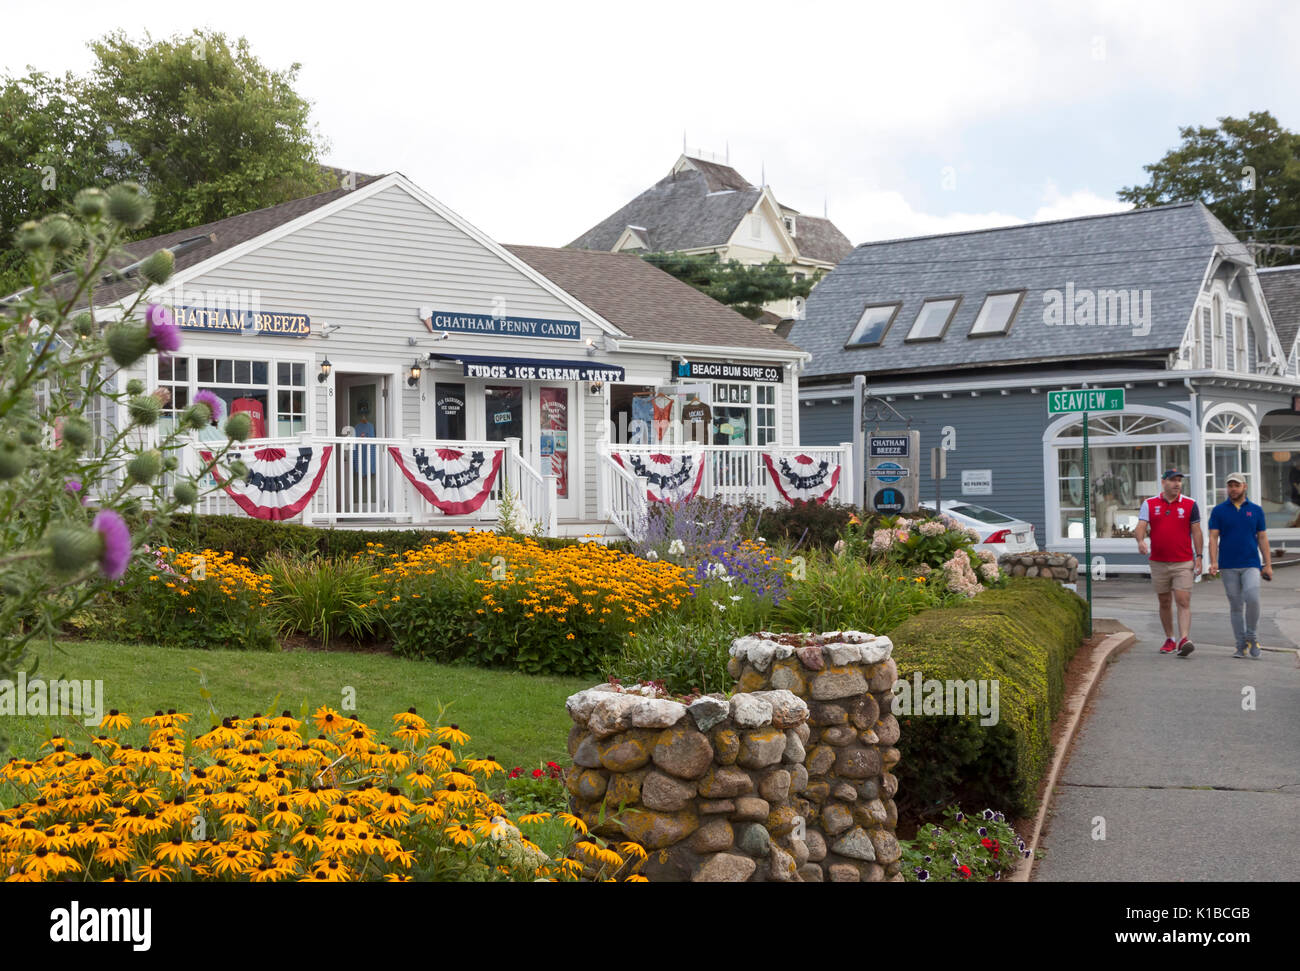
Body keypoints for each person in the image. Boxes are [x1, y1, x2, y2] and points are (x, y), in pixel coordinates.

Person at [1134, 468, 1203, 657]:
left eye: (1179, 480)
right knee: (1164, 601)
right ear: (1163, 482)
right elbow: (1141, 526)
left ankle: (1184, 639)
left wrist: (1199, 556)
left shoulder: (1190, 504)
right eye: (1173, 480)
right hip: (1158, 562)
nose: (1177, 484)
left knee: (1183, 599)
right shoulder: (1149, 504)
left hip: (1183, 561)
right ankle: (1170, 638)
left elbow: (1196, 531)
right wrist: (1140, 541)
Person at [1208, 472, 1273, 658]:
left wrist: (1267, 564)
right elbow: (1213, 537)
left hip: (1251, 563)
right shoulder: (1219, 510)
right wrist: (1213, 561)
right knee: (1236, 605)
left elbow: (1262, 537)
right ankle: (1240, 645)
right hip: (1228, 565)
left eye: (1236, 485)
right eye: (1230, 485)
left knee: (1252, 597)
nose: (1233, 489)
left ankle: (1252, 634)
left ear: (1244, 486)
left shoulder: (1256, 510)